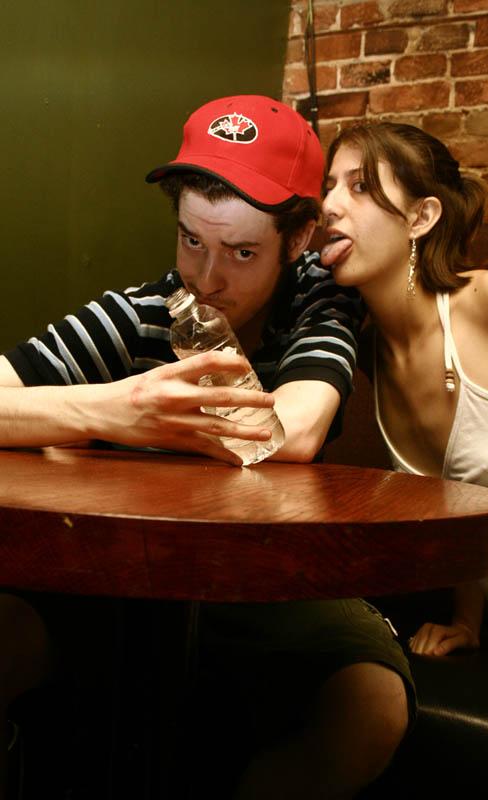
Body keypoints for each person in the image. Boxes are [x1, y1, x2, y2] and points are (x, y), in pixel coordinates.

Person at [0, 96, 415, 799]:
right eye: (192, 240)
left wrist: (111, 426)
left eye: (242, 252)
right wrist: (113, 409)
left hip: (273, 576)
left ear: (298, 238)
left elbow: (293, 429)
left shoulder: (317, 303)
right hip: (117, 572)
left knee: (370, 708)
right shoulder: (139, 313)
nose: (207, 277)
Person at [321, 120, 488, 680]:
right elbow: (468, 496)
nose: (329, 206)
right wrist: (466, 619)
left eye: (360, 186)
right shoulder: (370, 355)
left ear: (421, 217)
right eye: (329, 185)